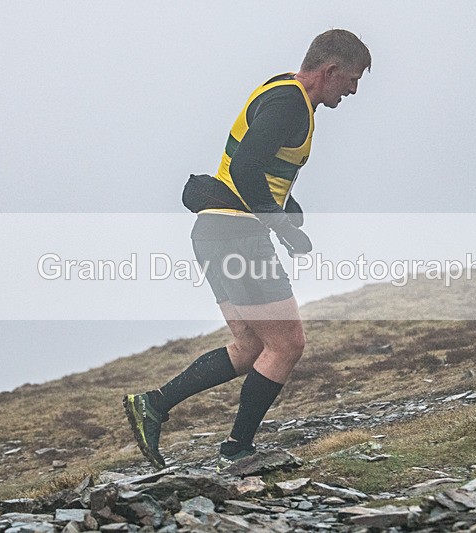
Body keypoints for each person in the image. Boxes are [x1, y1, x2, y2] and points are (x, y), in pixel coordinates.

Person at [124, 29, 371, 469]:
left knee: (250, 345)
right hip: (238, 235)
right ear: (330, 70)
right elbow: (245, 167)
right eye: (352, 79)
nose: (353, 90)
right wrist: (281, 226)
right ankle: (238, 449)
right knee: (287, 344)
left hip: (214, 232)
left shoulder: (281, 90)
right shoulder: (290, 104)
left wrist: (287, 208)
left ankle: (153, 405)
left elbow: (261, 168)